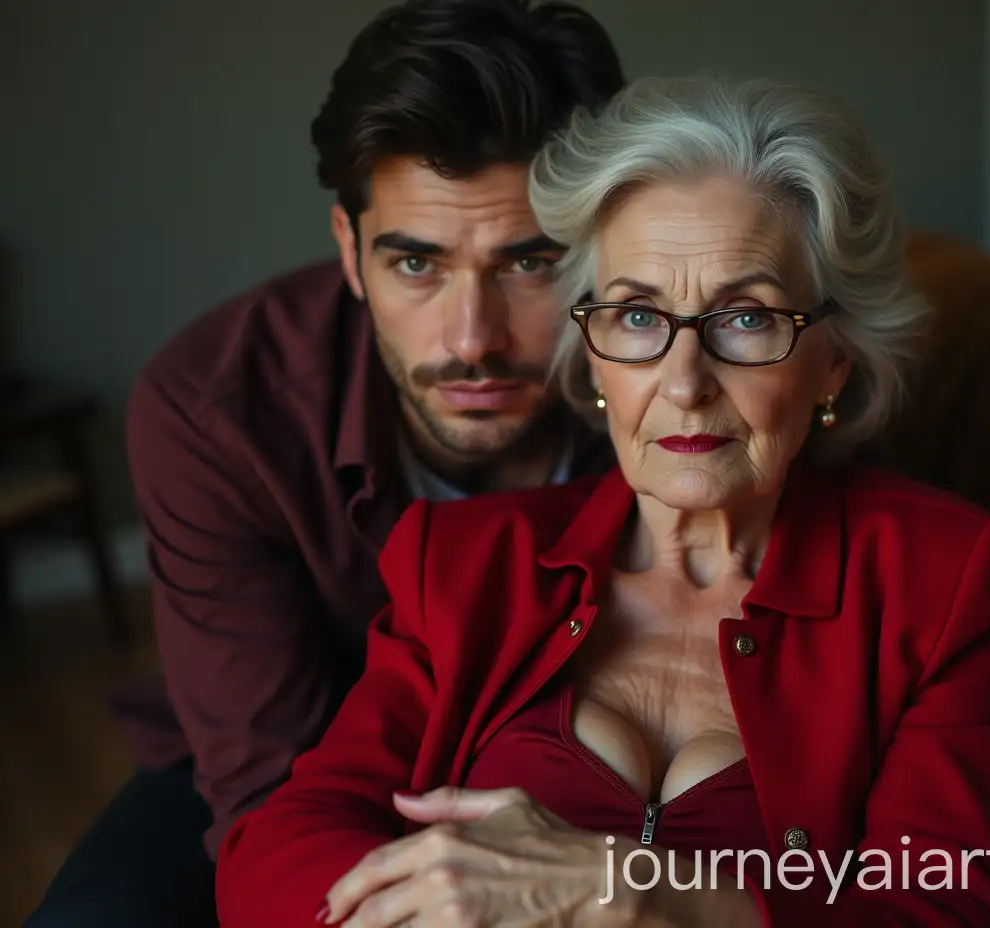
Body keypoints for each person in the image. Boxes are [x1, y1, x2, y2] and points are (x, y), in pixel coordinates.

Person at [214, 74, 990, 927]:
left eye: (747, 318)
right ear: (594, 351)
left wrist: (640, 890)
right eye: (639, 318)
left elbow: (960, 910)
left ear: (835, 358)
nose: (685, 385)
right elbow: (277, 853)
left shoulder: (939, 581)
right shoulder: (464, 562)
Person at [21, 3, 623, 927]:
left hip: (585, 756)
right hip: (295, 756)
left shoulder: (669, 376)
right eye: (416, 264)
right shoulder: (218, 408)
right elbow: (263, 782)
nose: (472, 340)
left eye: (531, 262)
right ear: (350, 252)